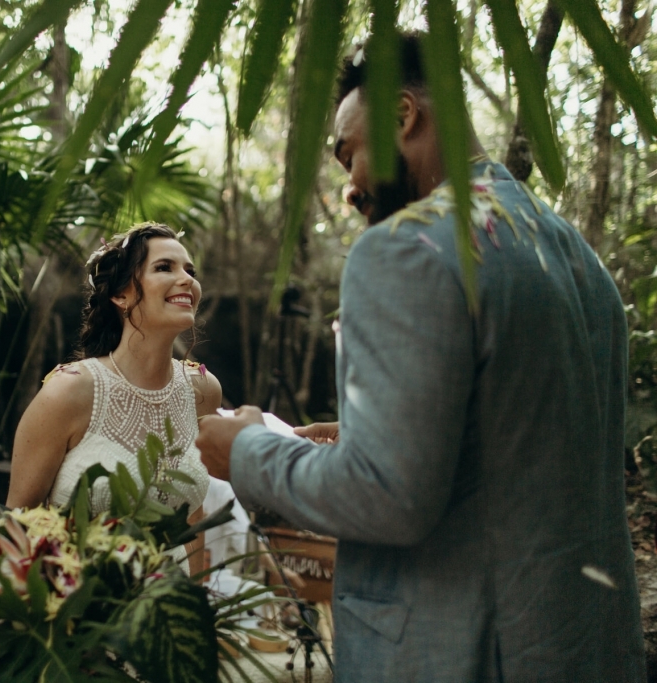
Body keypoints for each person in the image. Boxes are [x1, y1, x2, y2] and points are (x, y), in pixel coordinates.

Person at [197, 33, 645, 681]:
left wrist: (245, 451)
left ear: (404, 115)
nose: (349, 187)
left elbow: (389, 499)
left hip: (463, 650)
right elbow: (523, 449)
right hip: (583, 646)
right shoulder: (573, 254)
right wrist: (363, 439)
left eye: (347, 153)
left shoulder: (405, 249)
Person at [8, 222, 222, 575]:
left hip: (165, 608)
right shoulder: (69, 391)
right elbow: (17, 521)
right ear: (120, 295)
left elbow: (192, 516)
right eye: (164, 267)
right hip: (77, 610)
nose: (187, 279)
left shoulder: (203, 390)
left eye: (190, 270)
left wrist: (195, 610)